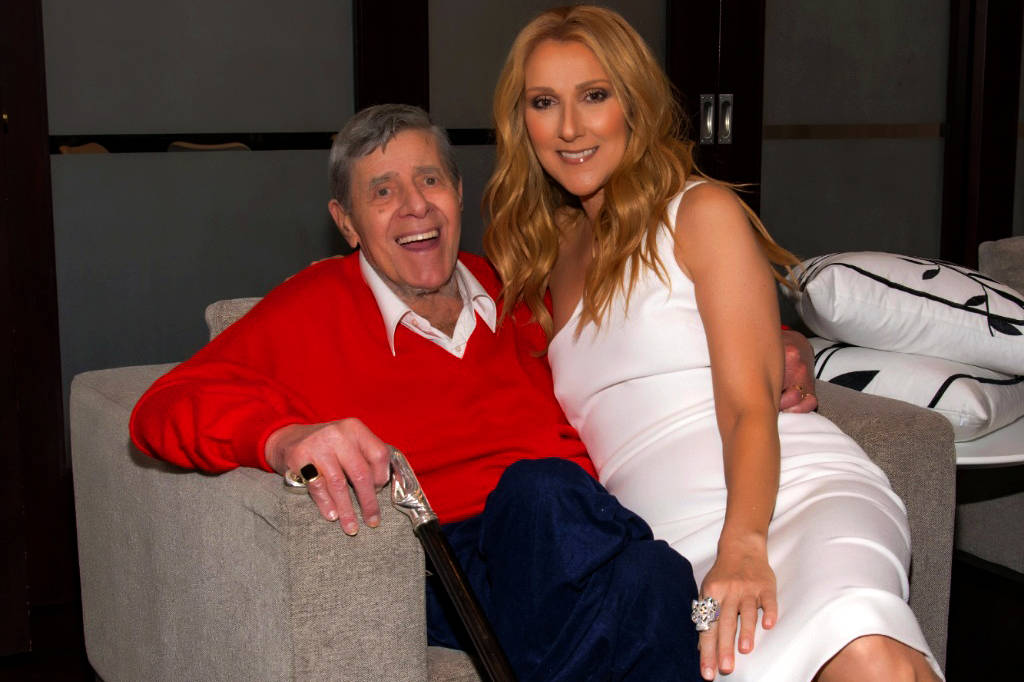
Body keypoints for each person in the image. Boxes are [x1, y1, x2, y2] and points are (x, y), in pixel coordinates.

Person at [130, 103, 703, 680]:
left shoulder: (522, 286)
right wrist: (282, 438)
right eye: (382, 191)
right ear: (347, 222)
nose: (415, 205)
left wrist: (762, 342)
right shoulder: (309, 306)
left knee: (652, 574)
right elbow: (160, 409)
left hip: (580, 532)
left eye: (430, 180)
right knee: (548, 493)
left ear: (456, 191)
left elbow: (641, 335)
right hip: (451, 561)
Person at [482, 6, 943, 682]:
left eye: (595, 95)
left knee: (869, 652)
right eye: (544, 102)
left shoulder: (700, 213)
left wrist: (745, 547)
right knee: (737, 664)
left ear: (633, 103)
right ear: (521, 121)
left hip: (788, 505)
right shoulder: (544, 263)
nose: (570, 127)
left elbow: (746, 407)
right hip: (677, 559)